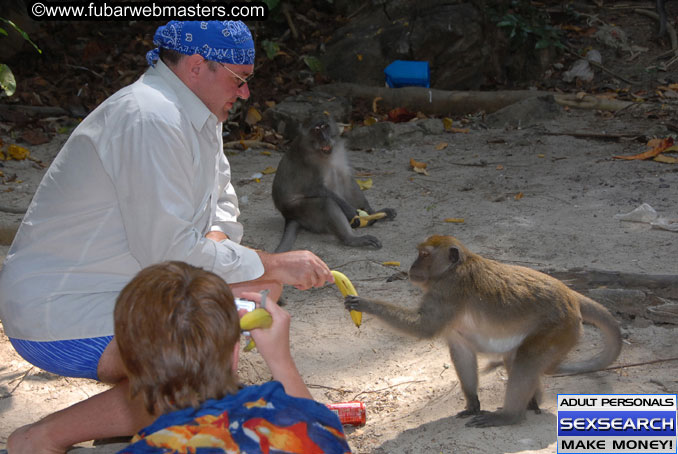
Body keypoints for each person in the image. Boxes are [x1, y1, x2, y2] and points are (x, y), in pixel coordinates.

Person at [0, 20, 333, 454]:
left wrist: (232, 256)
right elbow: (170, 250)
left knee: (254, 292)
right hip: (60, 311)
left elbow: (222, 211)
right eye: (240, 79)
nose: (246, 93)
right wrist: (274, 261)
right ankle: (39, 439)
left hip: (120, 288)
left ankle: (130, 426)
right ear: (198, 66)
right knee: (205, 355)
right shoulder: (150, 117)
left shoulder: (195, 111)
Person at [113, 261, 351, 454]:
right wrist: (281, 361)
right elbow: (324, 434)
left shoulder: (149, 447)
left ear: (128, 363)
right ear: (235, 349)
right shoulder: (296, 430)